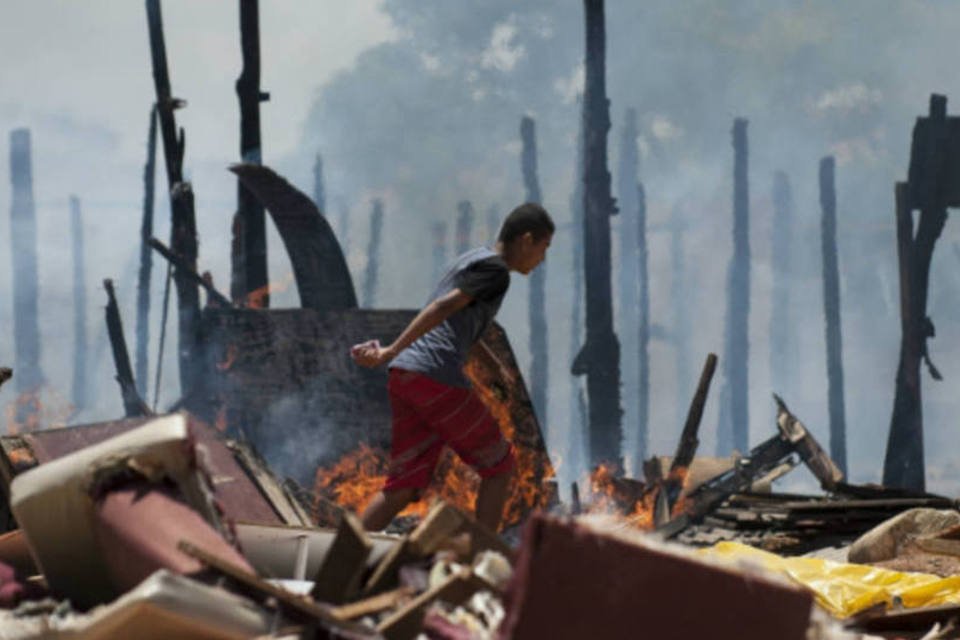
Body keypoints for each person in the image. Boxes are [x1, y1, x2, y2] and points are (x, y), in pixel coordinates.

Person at [351, 202, 554, 532]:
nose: (542, 259)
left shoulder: (472, 258)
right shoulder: (497, 272)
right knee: (500, 466)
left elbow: (463, 326)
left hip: (406, 376)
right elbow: (442, 307)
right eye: (543, 248)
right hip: (434, 376)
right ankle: (483, 555)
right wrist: (390, 349)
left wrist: (494, 369)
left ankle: (338, 558)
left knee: (404, 485)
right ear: (526, 240)